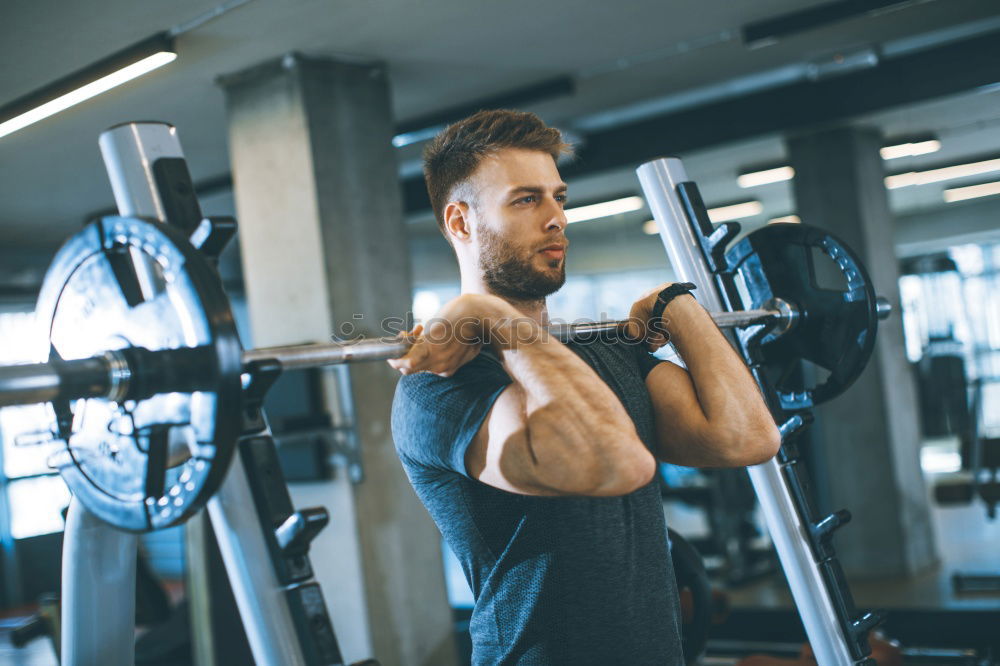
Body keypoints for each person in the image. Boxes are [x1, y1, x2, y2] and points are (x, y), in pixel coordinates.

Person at [389, 109, 780, 665]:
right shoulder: (440, 386)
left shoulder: (601, 354)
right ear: (460, 223)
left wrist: (678, 305)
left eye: (559, 197)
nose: (556, 219)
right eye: (526, 200)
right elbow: (610, 465)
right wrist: (490, 316)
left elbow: (746, 438)